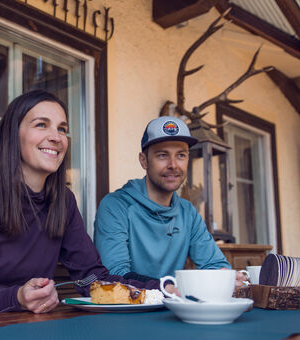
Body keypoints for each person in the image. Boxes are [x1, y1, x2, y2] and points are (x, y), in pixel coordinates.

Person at [0, 90, 169, 319]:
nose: (56, 137)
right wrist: (16, 298)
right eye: (41, 124)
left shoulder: (63, 201)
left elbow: (90, 279)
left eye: (62, 129)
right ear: (13, 135)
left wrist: (164, 288)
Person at [94, 116, 241, 283]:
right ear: (144, 161)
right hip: (129, 307)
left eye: (181, 155)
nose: (173, 165)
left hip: (173, 305)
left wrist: (227, 277)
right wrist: (170, 288)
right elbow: (114, 275)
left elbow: (215, 265)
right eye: (162, 155)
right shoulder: (115, 206)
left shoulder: (188, 212)